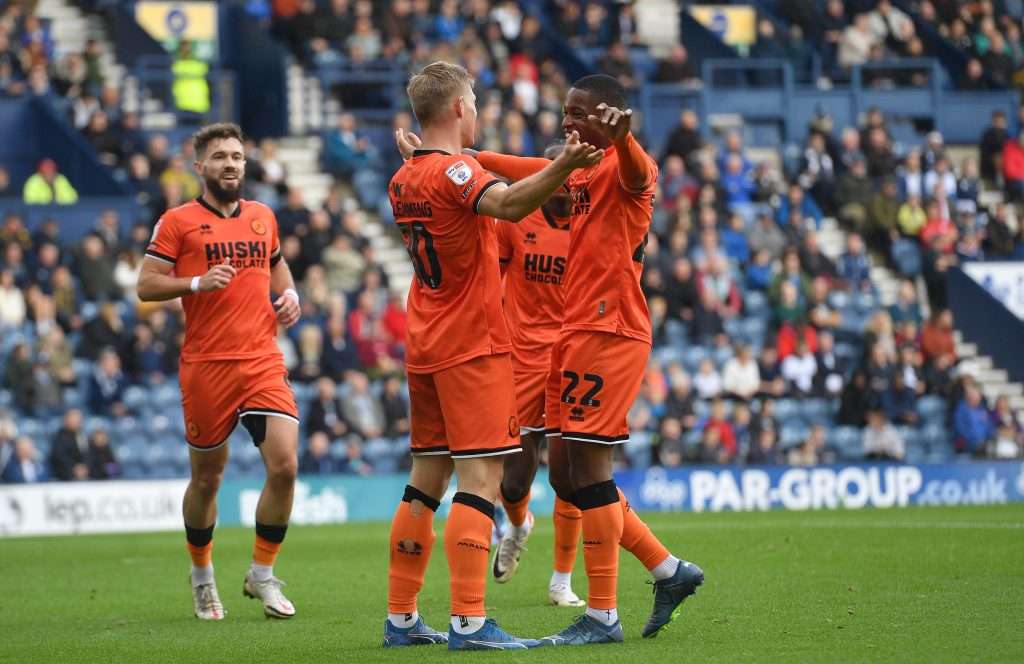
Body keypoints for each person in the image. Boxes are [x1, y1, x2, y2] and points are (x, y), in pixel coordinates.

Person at [472, 74, 704, 645]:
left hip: (610, 329)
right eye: (564, 112)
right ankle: (668, 570)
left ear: (609, 115)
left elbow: (638, 173)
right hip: (576, 331)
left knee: (590, 473)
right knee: (568, 477)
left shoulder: (630, 168)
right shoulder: (579, 170)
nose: (566, 122)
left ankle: (602, 615)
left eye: (578, 113)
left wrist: (623, 139)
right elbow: (530, 168)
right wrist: (463, 155)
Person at [383, 62, 601, 650]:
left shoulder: (405, 176)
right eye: (474, 101)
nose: (478, 110)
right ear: (457, 108)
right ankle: (470, 622)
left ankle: (401, 618)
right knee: (480, 479)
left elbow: (453, 178)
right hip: (471, 344)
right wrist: (564, 165)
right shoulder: (457, 170)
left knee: (425, 479)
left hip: (425, 340)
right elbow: (504, 206)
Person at [136, 123, 302, 622]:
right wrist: (196, 282)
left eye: (237, 156)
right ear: (200, 167)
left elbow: (277, 267)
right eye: (220, 157)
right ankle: (203, 576)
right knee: (207, 480)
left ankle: (262, 574)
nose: (231, 164)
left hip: (261, 360)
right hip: (206, 365)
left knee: (286, 466)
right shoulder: (178, 222)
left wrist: (290, 294)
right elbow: (146, 286)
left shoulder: (262, 217)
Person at [470, 143, 586, 608]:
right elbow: (489, 281)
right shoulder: (516, 221)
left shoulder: (589, 226)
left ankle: (561, 581)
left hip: (573, 359)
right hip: (521, 361)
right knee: (515, 483)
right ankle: (518, 525)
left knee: (571, 474)